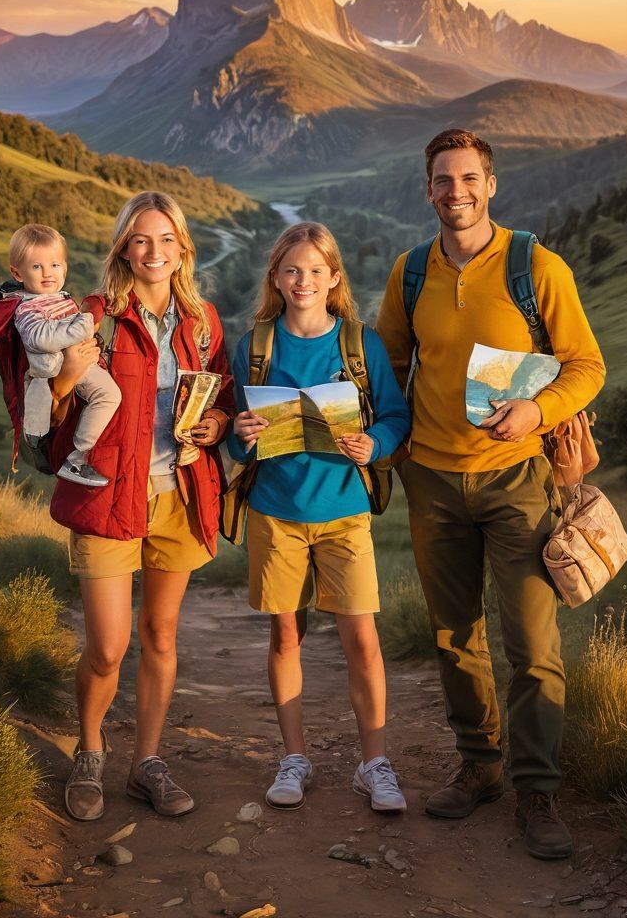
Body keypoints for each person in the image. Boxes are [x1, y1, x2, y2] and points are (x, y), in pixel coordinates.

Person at [376, 129, 605, 859]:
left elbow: (586, 364)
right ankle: (480, 768)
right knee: (453, 634)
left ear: (491, 184)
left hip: (519, 483)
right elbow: (386, 368)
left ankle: (537, 790)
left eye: (469, 179)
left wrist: (539, 410)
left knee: (532, 644)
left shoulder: (537, 265)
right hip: (434, 483)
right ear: (429, 189)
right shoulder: (411, 273)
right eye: (443, 180)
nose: (457, 192)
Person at [47, 191, 234, 823]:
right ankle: (91, 751)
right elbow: (52, 410)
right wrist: (69, 376)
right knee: (107, 646)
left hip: (177, 496)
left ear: (183, 246)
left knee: (160, 635)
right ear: (124, 247)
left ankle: (146, 762)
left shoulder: (202, 320)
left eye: (165, 239)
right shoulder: (91, 316)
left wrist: (214, 424)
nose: (153, 252)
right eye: (140, 240)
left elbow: (223, 398)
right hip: (106, 495)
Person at [228, 222, 411, 813]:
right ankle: (294, 756)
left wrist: (373, 445)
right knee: (286, 633)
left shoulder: (361, 345)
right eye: (291, 271)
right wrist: (243, 434)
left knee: (363, 637)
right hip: (275, 512)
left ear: (334, 278)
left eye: (314, 271)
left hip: (345, 512)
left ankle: (374, 764)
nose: (302, 281)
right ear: (276, 279)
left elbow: (394, 417)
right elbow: (234, 439)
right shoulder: (256, 345)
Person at [6, 222, 121, 487]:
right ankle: (76, 459)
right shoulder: (27, 307)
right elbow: (40, 338)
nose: (47, 273)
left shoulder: (59, 298)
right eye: (37, 267)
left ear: (65, 268)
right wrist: (81, 325)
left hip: (76, 363)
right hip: (56, 370)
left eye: (55, 265)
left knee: (111, 394)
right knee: (107, 395)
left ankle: (80, 455)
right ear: (17, 273)